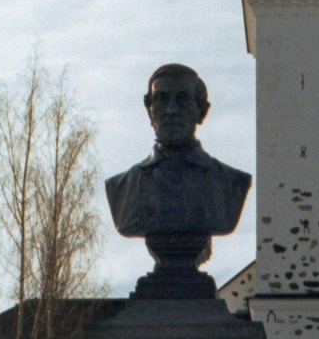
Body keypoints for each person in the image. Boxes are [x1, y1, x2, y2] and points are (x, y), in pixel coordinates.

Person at [105, 64, 250, 250]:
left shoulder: (230, 183)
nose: (171, 110)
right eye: (161, 99)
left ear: (202, 112)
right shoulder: (124, 187)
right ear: (149, 110)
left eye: (182, 99)